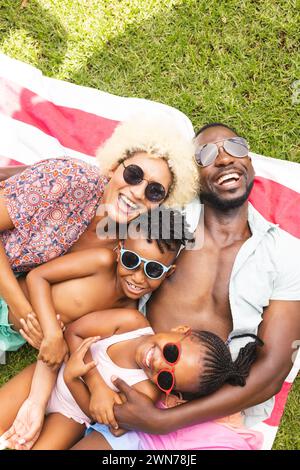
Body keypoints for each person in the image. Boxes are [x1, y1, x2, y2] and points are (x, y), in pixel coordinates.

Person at [98, 123, 300, 449]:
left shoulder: (287, 254)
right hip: (136, 381)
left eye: (234, 147)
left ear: (249, 161)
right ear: (193, 174)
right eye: (206, 154)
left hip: (214, 417)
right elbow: (104, 204)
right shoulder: (168, 221)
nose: (223, 160)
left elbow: (274, 370)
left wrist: (165, 421)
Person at [0, 113, 198, 355]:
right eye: (133, 175)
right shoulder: (71, 180)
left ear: (162, 203)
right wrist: (24, 312)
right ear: (114, 166)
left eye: (155, 191)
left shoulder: (128, 246)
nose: (137, 192)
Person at [0, 306, 263, 450]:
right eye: (172, 352)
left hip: (70, 416)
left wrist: (74, 381)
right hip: (47, 373)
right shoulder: (129, 323)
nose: (158, 363)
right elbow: (74, 333)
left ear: (171, 394)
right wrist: (94, 382)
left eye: (167, 379)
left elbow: (96, 412)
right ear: (181, 330)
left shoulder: (145, 394)